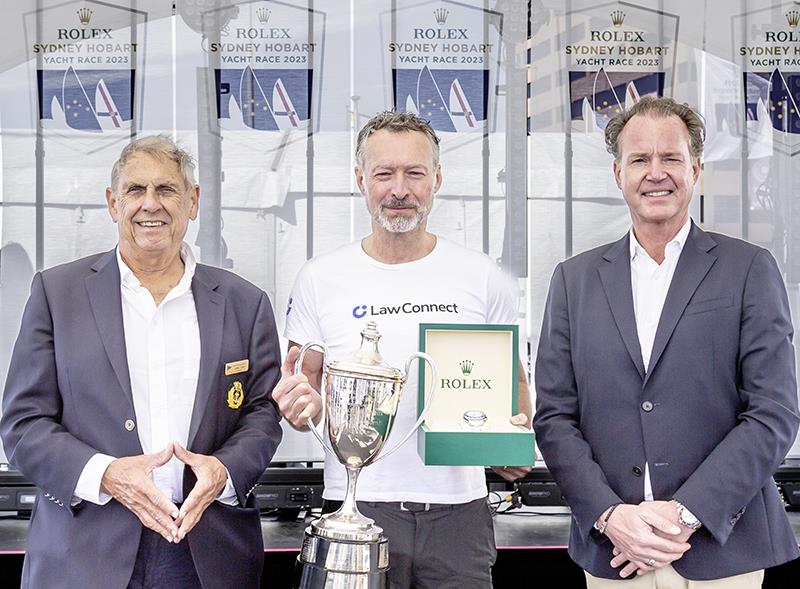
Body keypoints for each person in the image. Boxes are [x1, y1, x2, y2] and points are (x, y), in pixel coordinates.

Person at [533, 96, 800, 588]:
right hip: (615, 552)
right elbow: (554, 417)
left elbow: (773, 413)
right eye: (640, 159)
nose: (656, 173)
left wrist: (685, 514)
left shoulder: (748, 269)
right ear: (618, 174)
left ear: (695, 168)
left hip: (722, 552)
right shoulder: (574, 280)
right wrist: (611, 516)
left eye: (671, 158)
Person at [0, 136, 283, 589]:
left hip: (206, 555)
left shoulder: (244, 303)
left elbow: (262, 413)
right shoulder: (58, 294)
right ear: (113, 203)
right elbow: (23, 423)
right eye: (135, 190)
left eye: (167, 190)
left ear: (193, 202)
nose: (151, 204)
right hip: (84, 554)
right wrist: (108, 475)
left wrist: (223, 471)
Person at [273, 111, 532, 588]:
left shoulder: (482, 276)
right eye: (383, 173)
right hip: (357, 507)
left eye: (414, 173)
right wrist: (298, 406)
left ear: (437, 178)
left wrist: (511, 439)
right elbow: (302, 379)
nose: (399, 189)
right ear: (360, 180)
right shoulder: (320, 277)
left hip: (459, 514)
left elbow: (512, 380)